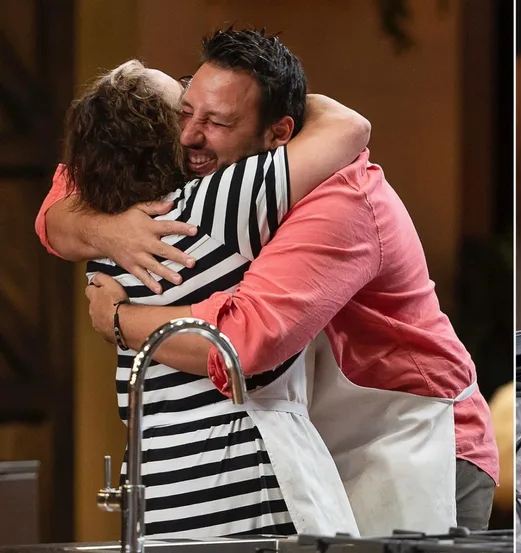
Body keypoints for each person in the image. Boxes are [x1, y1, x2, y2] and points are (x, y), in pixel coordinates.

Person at [36, 28, 499, 535]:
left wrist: (120, 319)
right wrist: (106, 228)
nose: (189, 135)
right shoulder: (207, 191)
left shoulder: (338, 196)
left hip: (410, 441)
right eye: (185, 111)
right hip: (309, 447)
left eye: (217, 121)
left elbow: (246, 340)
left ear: (279, 134)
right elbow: (58, 205)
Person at [44, 37, 372, 537]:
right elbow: (350, 128)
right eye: (181, 108)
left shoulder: (100, 251)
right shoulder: (222, 205)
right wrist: (268, 95)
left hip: (158, 490)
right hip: (240, 481)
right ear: (164, 138)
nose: (195, 126)